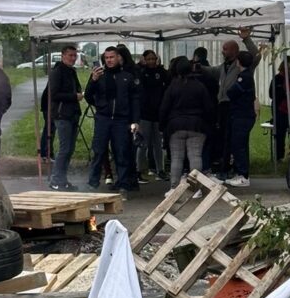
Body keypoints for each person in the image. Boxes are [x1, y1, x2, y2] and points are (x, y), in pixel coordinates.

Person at [197, 28, 259, 176]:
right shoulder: (224, 66)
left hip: (235, 106)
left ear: (234, 50)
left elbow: (256, 55)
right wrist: (198, 67)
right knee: (225, 138)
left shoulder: (244, 67)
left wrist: (246, 39)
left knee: (237, 140)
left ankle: (239, 171)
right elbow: (212, 71)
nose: (222, 51)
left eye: (225, 49)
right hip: (223, 106)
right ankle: (224, 167)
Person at [84, 46, 141, 192]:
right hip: (103, 118)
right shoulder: (99, 75)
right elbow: (88, 96)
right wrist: (93, 81)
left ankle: (123, 184)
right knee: (98, 151)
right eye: (107, 58)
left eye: (112, 57)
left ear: (118, 58)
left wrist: (135, 121)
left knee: (121, 152)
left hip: (121, 120)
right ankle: (92, 183)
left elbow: (135, 100)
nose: (109, 60)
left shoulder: (127, 77)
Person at [160, 58, 214, 197]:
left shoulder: (173, 86)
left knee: (177, 158)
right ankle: (196, 189)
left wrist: (162, 125)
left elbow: (164, 107)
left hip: (176, 126)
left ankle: (174, 188)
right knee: (195, 156)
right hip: (197, 125)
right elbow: (209, 107)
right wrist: (210, 123)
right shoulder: (200, 86)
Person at [47, 44, 84, 191]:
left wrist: (78, 93)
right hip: (62, 114)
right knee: (64, 148)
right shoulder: (57, 72)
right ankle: (56, 179)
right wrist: (73, 96)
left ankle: (63, 179)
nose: (73, 58)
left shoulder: (71, 71)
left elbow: (77, 87)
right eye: (70, 55)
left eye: (75, 55)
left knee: (69, 149)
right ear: (63, 56)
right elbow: (54, 94)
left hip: (73, 113)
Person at [224, 51, 256, 187]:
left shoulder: (244, 77)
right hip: (244, 115)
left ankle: (243, 175)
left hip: (242, 115)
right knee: (240, 144)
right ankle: (241, 173)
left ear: (239, 62)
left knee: (239, 145)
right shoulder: (246, 75)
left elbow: (231, 92)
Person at [137, 49, 169, 181]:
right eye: (148, 59)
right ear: (144, 60)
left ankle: (160, 169)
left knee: (158, 143)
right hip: (144, 114)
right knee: (142, 143)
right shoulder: (141, 73)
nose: (151, 61)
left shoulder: (162, 73)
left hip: (158, 114)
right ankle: (139, 170)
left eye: (153, 59)